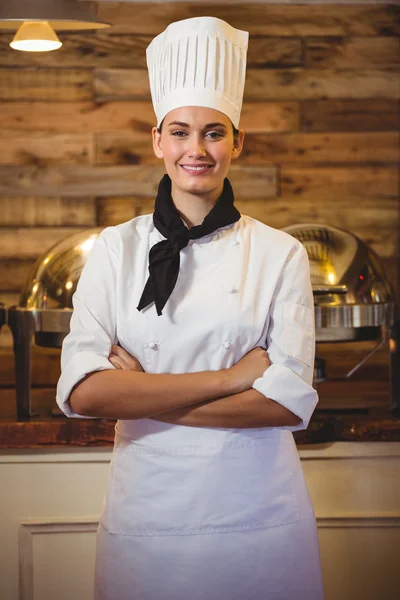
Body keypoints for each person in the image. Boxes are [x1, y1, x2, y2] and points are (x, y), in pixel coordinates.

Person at [56, 16, 324, 600]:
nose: (195, 150)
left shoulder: (280, 254)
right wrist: (232, 379)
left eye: (213, 132)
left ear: (237, 141)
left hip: (258, 515)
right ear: (157, 141)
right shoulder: (115, 248)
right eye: (179, 132)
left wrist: (145, 395)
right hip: (148, 514)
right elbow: (84, 394)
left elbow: (286, 402)